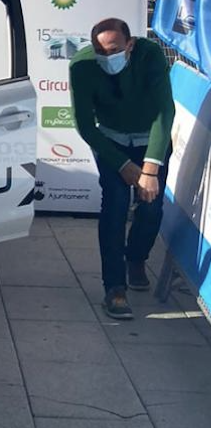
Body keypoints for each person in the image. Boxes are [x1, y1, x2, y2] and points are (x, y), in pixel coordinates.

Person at [69, 18, 174, 320]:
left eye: (114, 49)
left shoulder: (150, 55)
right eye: (100, 51)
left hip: (150, 141)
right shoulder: (82, 65)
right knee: (114, 205)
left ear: (130, 44)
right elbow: (85, 125)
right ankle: (114, 288)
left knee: (151, 207)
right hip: (111, 143)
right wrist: (122, 164)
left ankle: (137, 257)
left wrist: (149, 169)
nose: (107, 57)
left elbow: (164, 111)